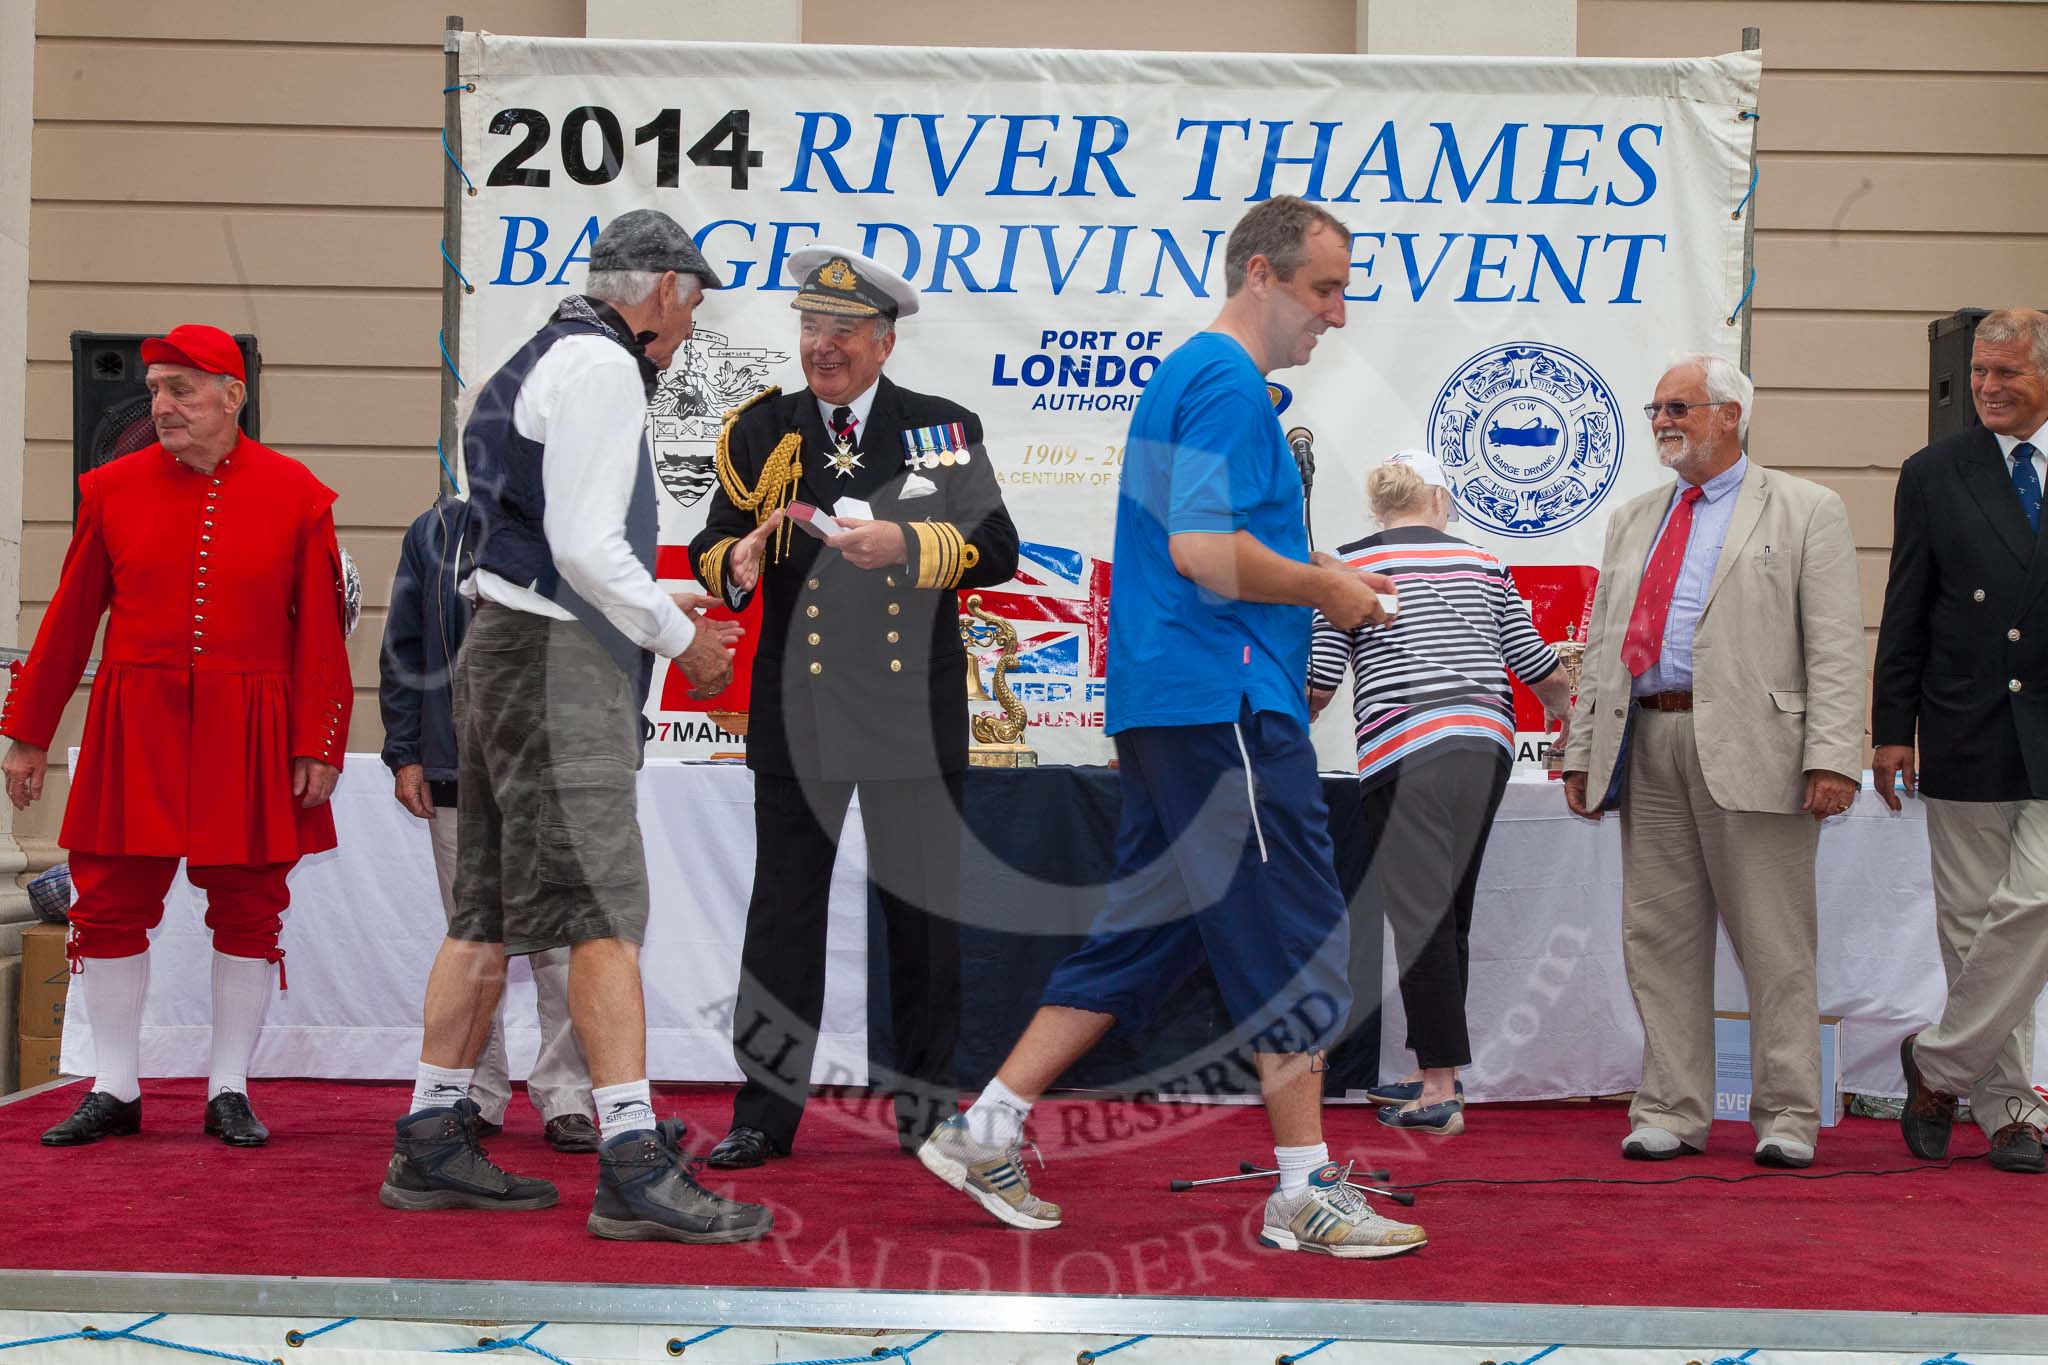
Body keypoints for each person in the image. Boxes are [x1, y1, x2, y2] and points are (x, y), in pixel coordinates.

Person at [916, 196, 1424, 1258]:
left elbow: (1183, 548)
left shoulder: (1185, 380)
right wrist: (1324, 593)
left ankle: (985, 1126)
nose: (1335, 314)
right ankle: (1302, 1189)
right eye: (1323, 288)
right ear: (1259, 275)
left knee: (1144, 942)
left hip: (1174, 705)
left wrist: (1308, 576)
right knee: (1291, 937)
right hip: (1222, 703)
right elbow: (1200, 551)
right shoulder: (1228, 385)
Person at [376, 209, 772, 1245]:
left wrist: (652, 605)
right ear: (663, 293)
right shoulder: (599, 367)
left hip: (503, 650)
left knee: (487, 914)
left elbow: (537, 546)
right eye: (690, 311)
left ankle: (429, 1138)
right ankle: (634, 1160)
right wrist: (674, 637)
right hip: (560, 669)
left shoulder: (525, 359)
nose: (686, 335)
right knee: (603, 911)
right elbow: (588, 548)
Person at [689, 245, 1019, 1168]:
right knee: (783, 919)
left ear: (883, 342)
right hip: (802, 712)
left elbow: (997, 547)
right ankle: (763, 1113)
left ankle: (922, 1110)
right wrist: (738, 563)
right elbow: (713, 541)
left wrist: (906, 543)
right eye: (809, 327)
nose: (821, 346)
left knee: (922, 921)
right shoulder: (764, 430)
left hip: (911, 711)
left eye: (841, 330)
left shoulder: (939, 429)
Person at [1, 323, 352, 1148]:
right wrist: (27, 735)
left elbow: (321, 640)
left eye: (181, 389)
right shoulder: (110, 489)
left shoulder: (298, 494)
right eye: (156, 389)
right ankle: (115, 1084)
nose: (160, 405)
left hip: (252, 727)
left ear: (233, 397)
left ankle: (228, 1087)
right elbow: (67, 621)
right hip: (137, 723)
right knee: (111, 901)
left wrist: (318, 744)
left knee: (249, 904)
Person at [1560, 353, 1866, 1169]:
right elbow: (1601, 648)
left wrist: (1835, 756)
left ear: (1730, 414)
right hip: (1647, 738)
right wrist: (1582, 750)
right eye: (1657, 407)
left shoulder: (1807, 508)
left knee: (1775, 940)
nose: (1662, 420)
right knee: (1657, 933)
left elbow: (1835, 649)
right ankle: (1670, 1106)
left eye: (1679, 407)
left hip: (1759, 749)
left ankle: (1788, 1114)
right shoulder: (1633, 517)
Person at [1307, 449, 1571, 1137]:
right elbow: (1541, 669)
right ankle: (1439, 1072)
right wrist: (1583, 726)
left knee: (1423, 918)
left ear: (1380, 501)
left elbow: (1318, 684)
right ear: (1441, 501)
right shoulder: (1483, 563)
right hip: (1485, 746)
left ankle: (1437, 1087)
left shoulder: (1349, 563)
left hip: (1404, 750)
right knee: (1448, 915)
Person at [1875, 307, 2048, 1174]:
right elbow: (1907, 605)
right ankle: (2012, 1109)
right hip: (1966, 720)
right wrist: (1889, 728)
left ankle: (1937, 1065)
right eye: (1980, 370)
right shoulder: (1935, 471)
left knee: (2035, 904)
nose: (1985, 387)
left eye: (2007, 373)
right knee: (1974, 925)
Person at [378, 492, 597, 1153]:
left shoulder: (584, 516)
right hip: (456, 768)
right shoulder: (433, 530)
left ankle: (567, 1097)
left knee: (561, 947)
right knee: (477, 941)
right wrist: (406, 751)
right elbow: (404, 647)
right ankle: (479, 1091)